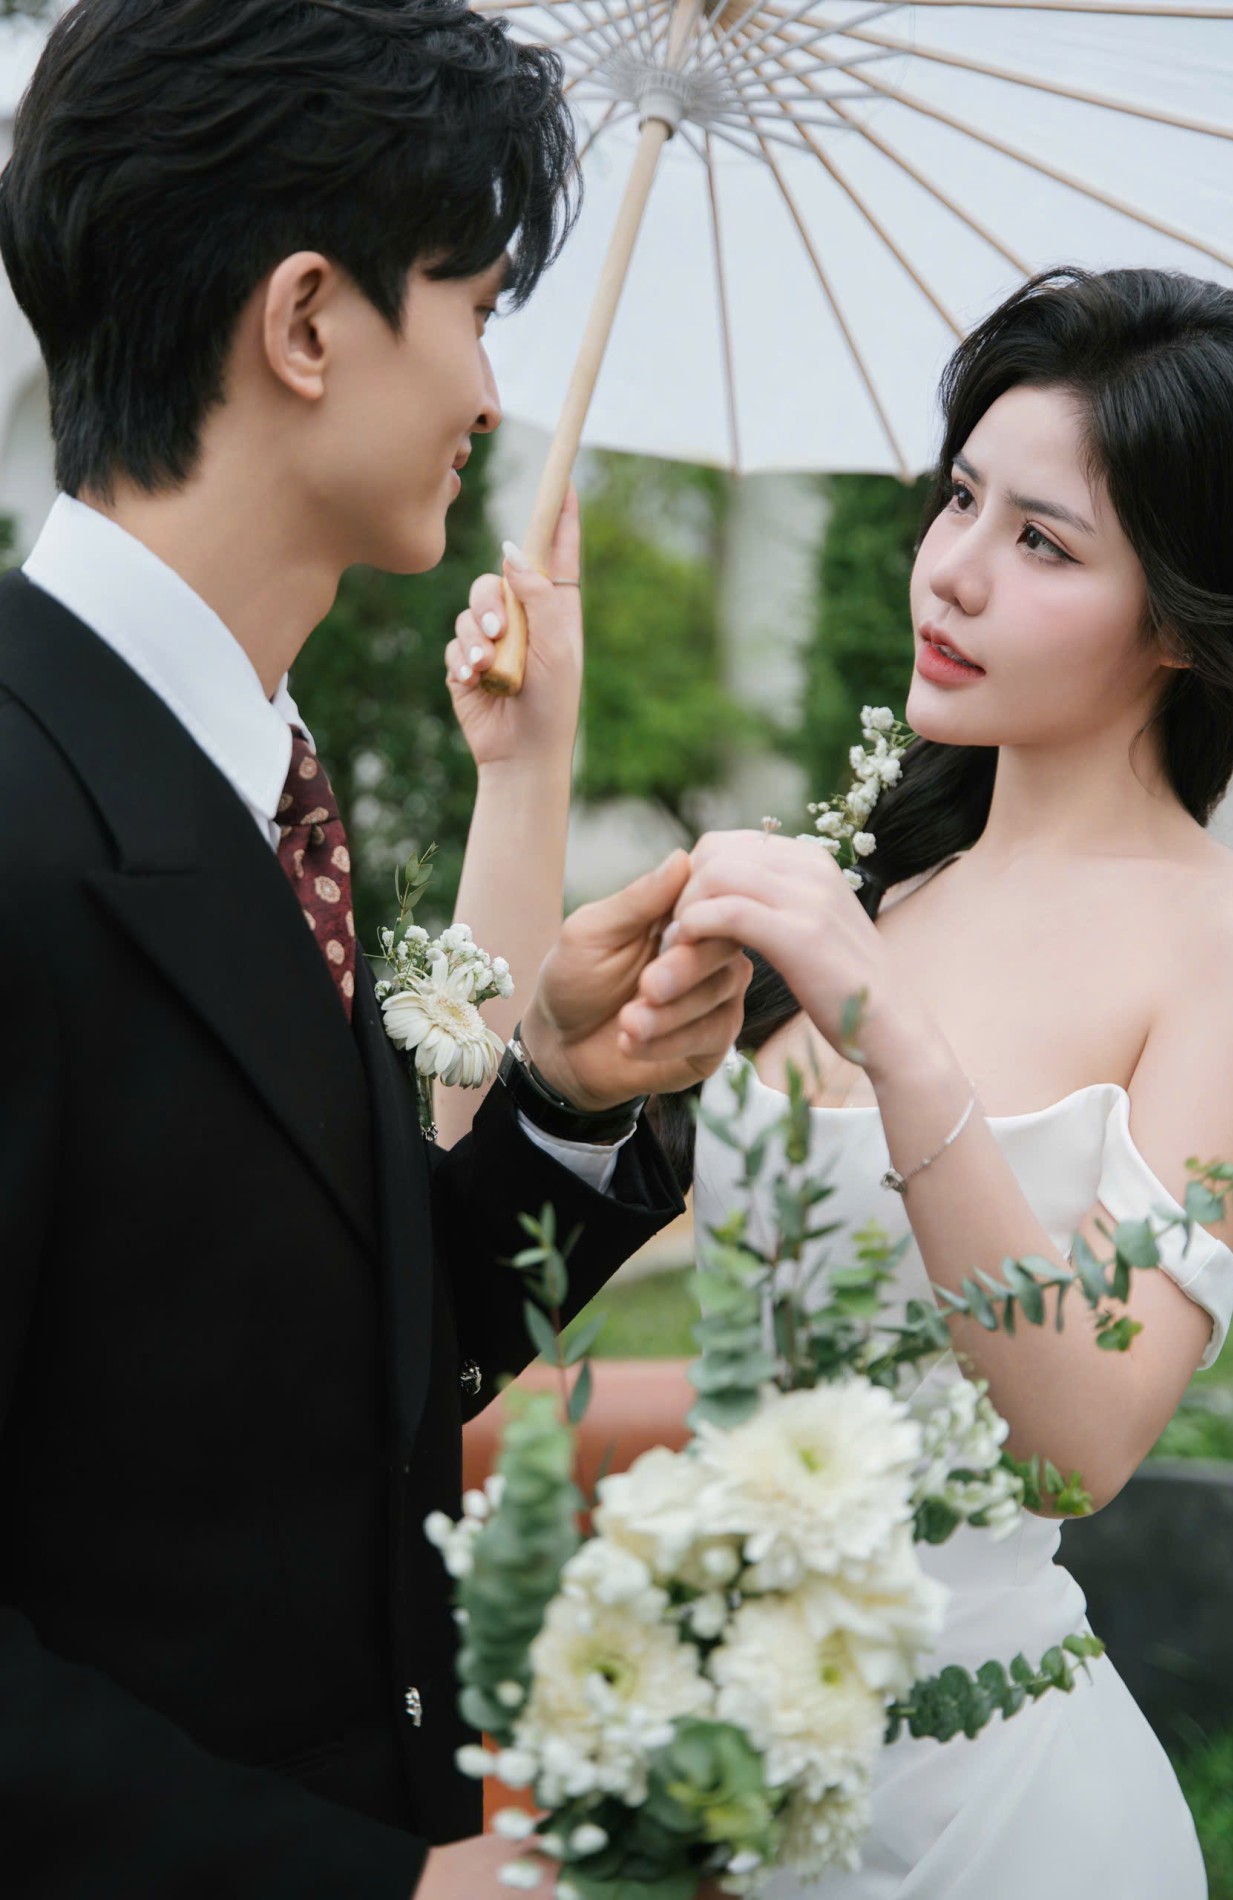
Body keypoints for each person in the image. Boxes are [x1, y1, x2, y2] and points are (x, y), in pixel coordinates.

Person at [0, 3, 750, 1895]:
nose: (492, 392)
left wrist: (567, 1097)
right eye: (476, 307)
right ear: (310, 322)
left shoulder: (259, 782)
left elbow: (339, 1370)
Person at [450, 266, 1233, 1897]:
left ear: (1178, 620)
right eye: (958, 499)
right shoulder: (874, 886)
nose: (951, 570)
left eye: (1041, 542)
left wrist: (892, 1034)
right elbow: (481, 1184)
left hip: (1006, 1820)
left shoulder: (1225, 947)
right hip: (744, 1784)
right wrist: (527, 765)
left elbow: (1078, 1443)